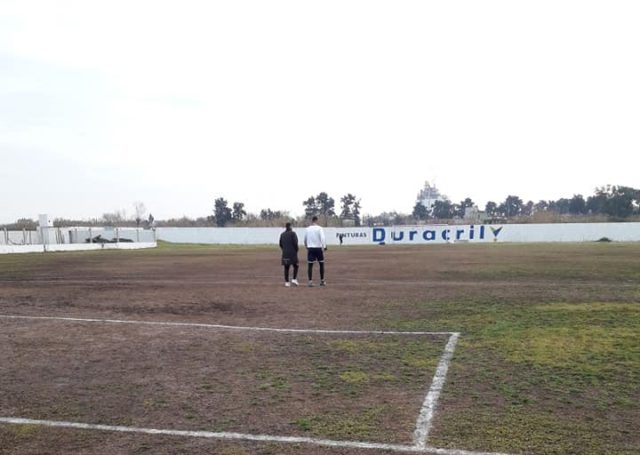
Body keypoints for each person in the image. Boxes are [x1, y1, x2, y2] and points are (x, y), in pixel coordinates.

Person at [304, 216, 326, 287]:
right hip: (318, 248)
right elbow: (322, 237)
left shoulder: (307, 229)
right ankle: (322, 281)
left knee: (310, 265)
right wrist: (324, 246)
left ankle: (310, 281)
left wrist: (306, 246)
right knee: (321, 264)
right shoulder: (319, 228)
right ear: (316, 220)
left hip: (310, 248)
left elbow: (305, 239)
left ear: (312, 221)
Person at [279, 222, 299, 287]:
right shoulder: (293, 233)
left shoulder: (282, 234)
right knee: (296, 265)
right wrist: (296, 250)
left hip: (285, 253)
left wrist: (284, 249)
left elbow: (280, 244)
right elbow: (295, 243)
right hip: (292, 253)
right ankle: (294, 279)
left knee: (286, 267)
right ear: (290, 226)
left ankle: (287, 282)